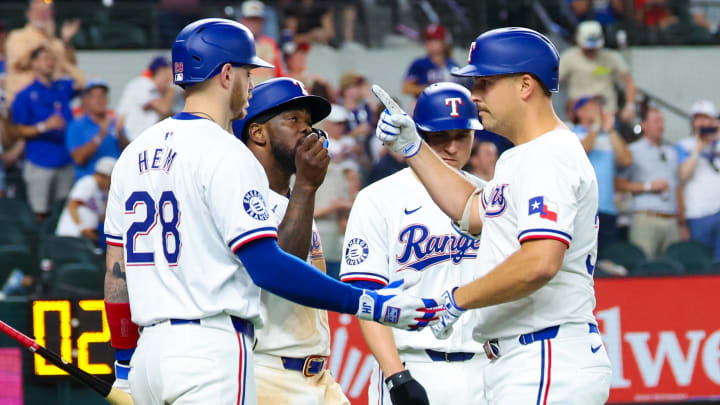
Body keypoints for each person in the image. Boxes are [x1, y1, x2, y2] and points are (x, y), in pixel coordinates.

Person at [102, 19, 443, 405]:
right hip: (210, 348)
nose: (251, 84)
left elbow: (118, 277)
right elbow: (267, 266)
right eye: (249, 72)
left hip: (151, 352)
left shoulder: (134, 154)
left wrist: (127, 365)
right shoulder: (225, 151)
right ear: (227, 73)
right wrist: (371, 304)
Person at [375, 27, 612, 404]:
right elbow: (471, 211)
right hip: (528, 357)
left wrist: (458, 298)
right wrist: (414, 148)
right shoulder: (524, 154)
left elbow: (539, 261)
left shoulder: (548, 155)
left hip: (545, 355)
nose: (474, 94)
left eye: (485, 82)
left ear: (525, 85)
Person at [342, 82, 487, 405]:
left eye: (461, 136)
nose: (452, 147)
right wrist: (396, 376)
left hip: (486, 368)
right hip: (413, 362)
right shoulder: (378, 199)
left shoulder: (489, 198)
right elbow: (369, 301)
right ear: (418, 134)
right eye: (440, 137)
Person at [232, 77, 349, 405]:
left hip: (317, 376)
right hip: (267, 373)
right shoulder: (244, 198)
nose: (306, 130)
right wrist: (307, 187)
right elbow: (284, 272)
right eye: (293, 120)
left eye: (309, 123)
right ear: (258, 132)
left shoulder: (291, 197)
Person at [10, 45, 85, 221]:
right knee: (40, 213)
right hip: (39, 161)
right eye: (45, 58)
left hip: (64, 159)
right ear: (34, 63)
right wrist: (44, 126)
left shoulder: (62, 87)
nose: (50, 62)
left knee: (64, 211)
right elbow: (17, 130)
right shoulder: (25, 95)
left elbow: (82, 82)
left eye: (52, 58)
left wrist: (65, 61)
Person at [616, 107, 680, 258]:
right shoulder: (632, 150)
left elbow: (677, 187)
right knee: (644, 266)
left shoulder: (671, 152)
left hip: (671, 218)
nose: (661, 125)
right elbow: (618, 184)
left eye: (662, 121)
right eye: (656, 121)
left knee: (674, 270)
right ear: (644, 125)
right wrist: (648, 186)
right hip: (645, 217)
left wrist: (682, 222)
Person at [572, 95, 632, 254]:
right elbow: (581, 152)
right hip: (583, 208)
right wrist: (596, 126)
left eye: (599, 106)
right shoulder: (571, 133)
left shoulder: (608, 136)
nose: (598, 110)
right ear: (580, 112)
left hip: (608, 208)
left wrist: (610, 130)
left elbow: (626, 160)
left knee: (607, 260)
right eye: (592, 106)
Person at [5, 0, 80, 104]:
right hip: (23, 102)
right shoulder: (17, 37)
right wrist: (47, 40)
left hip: (52, 100)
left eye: (46, 11)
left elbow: (70, 67)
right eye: (38, 11)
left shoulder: (56, 43)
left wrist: (66, 41)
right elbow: (19, 63)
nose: (42, 15)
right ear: (28, 13)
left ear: (52, 14)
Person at [559, 21, 637, 122]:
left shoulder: (611, 57)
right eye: (588, 49)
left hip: (608, 114)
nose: (591, 51)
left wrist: (630, 106)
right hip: (581, 117)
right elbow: (551, 82)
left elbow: (629, 81)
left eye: (594, 48)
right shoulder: (568, 58)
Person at [676, 99, 720, 259]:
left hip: (719, 211)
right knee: (701, 264)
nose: (702, 123)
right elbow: (683, 175)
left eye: (706, 118)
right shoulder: (684, 145)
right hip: (697, 214)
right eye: (698, 118)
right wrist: (698, 147)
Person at [66, 80, 129, 180]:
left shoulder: (114, 122)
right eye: (95, 96)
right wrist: (100, 135)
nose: (100, 100)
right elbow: (78, 159)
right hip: (89, 181)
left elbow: (128, 154)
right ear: (85, 100)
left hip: (115, 180)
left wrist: (120, 133)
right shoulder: (76, 125)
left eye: (103, 96)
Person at [116, 56, 175, 142]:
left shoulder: (157, 90)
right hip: (129, 140)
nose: (170, 79)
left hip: (139, 140)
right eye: (168, 75)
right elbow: (164, 109)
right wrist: (172, 86)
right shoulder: (142, 83)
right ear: (161, 71)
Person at [55, 157, 115, 241]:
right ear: (105, 176)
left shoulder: (100, 191)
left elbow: (101, 217)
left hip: (81, 237)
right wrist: (82, 228)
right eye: (110, 179)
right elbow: (72, 206)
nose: (111, 183)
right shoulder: (88, 182)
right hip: (71, 235)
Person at [402, 24, 463, 98]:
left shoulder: (453, 64)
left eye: (436, 40)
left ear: (444, 42)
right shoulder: (419, 63)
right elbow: (406, 88)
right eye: (428, 40)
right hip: (426, 105)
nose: (431, 43)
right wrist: (431, 88)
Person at [239, 1, 285, 84]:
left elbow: (279, 74)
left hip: (269, 92)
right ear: (242, 21)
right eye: (250, 19)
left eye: (257, 20)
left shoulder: (271, 44)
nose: (254, 24)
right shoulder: (235, 44)